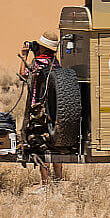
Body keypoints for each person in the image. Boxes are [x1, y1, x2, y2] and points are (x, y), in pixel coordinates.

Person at [20, 31, 63, 183]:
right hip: (53, 109)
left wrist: (25, 56)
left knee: (40, 145)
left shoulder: (38, 62)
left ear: (44, 48)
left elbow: (24, 74)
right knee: (55, 145)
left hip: (37, 110)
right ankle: (58, 181)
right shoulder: (55, 63)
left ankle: (45, 182)